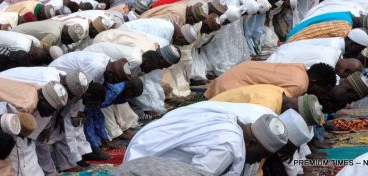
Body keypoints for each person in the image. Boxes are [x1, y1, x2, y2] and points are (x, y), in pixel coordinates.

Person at [125, 102, 288, 175]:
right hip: (143, 162)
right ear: (252, 143)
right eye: (261, 155)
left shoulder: (234, 122)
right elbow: (197, 174)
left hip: (150, 144)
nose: (257, 161)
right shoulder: (227, 147)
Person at [204, 61, 336, 99]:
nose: (322, 95)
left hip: (238, 73)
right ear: (314, 82)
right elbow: (278, 104)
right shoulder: (300, 85)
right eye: (324, 90)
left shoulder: (299, 68)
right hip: (231, 86)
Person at [84, 78, 143, 159]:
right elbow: (90, 113)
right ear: (129, 88)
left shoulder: (120, 89)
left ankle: (101, 143)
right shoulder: (114, 92)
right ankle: (92, 149)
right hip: (84, 104)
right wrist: (96, 147)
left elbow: (98, 115)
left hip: (92, 102)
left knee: (98, 117)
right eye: (131, 95)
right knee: (87, 122)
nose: (129, 98)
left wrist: (105, 139)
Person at [119, 18, 198, 46]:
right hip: (124, 33)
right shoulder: (167, 31)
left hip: (127, 32)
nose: (182, 46)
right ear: (180, 37)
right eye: (183, 43)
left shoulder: (170, 28)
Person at [12, 20, 85, 49]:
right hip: (16, 36)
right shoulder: (54, 34)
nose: (69, 43)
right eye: (70, 41)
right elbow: (41, 50)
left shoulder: (61, 24)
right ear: (67, 36)